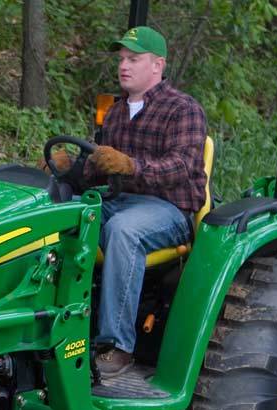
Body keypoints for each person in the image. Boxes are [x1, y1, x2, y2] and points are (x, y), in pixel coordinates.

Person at [56, 26, 208, 376]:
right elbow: (99, 170)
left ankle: (118, 346)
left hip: (168, 209)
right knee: (62, 212)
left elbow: (181, 167)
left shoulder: (183, 109)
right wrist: (72, 169)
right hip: (118, 199)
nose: (124, 66)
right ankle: (58, 327)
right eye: (122, 59)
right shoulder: (115, 112)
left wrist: (131, 165)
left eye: (133, 59)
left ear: (157, 65)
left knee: (124, 230)